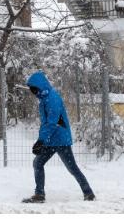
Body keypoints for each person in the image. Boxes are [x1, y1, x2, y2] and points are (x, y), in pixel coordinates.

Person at [22, 71, 96, 203]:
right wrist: (41, 140)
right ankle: (39, 195)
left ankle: (88, 193)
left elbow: (52, 122)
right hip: (51, 140)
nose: (33, 92)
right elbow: (45, 124)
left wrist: (41, 141)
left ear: (39, 86)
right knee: (37, 163)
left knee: (72, 168)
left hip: (60, 140)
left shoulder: (53, 99)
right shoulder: (44, 99)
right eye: (32, 90)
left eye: (34, 89)